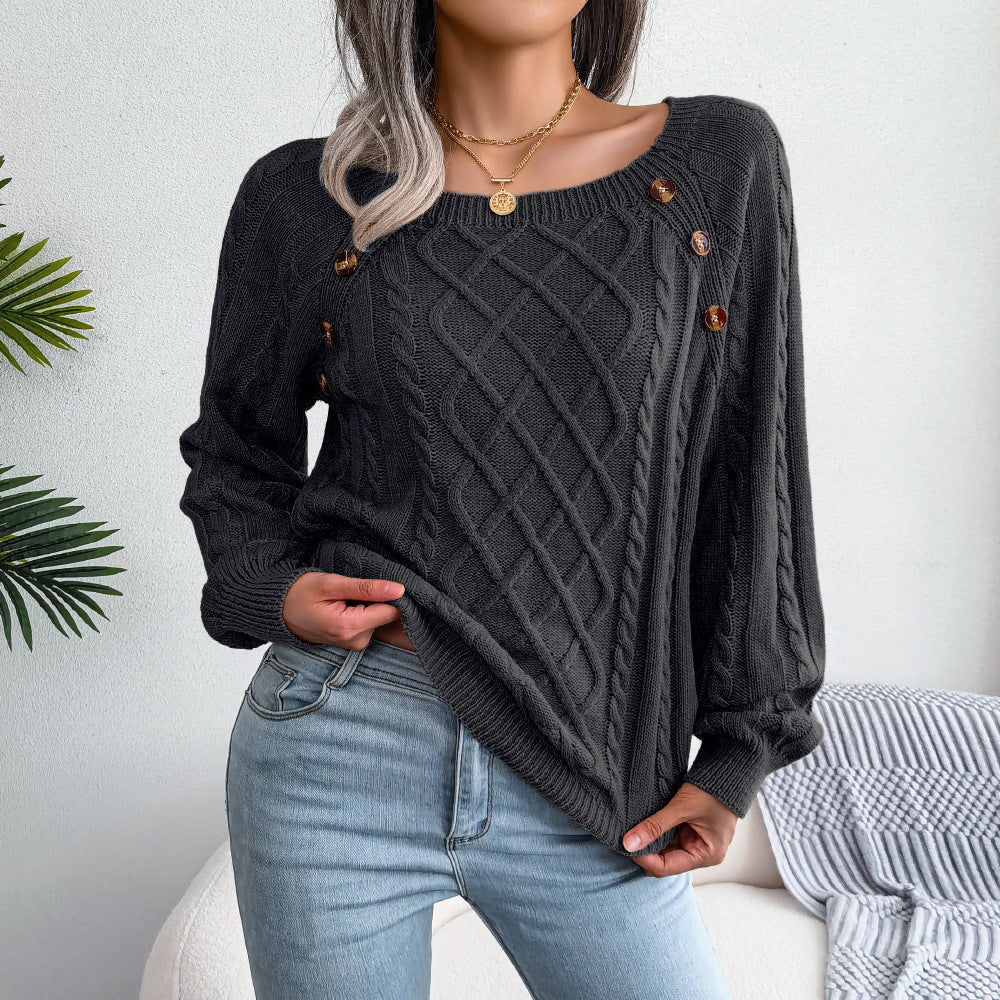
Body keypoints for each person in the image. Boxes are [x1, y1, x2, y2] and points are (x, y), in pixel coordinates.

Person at [177, 1, 827, 997]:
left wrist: (737, 754)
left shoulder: (716, 164)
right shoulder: (310, 198)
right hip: (342, 744)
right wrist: (274, 587)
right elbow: (235, 450)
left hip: (596, 767)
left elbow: (753, 468)